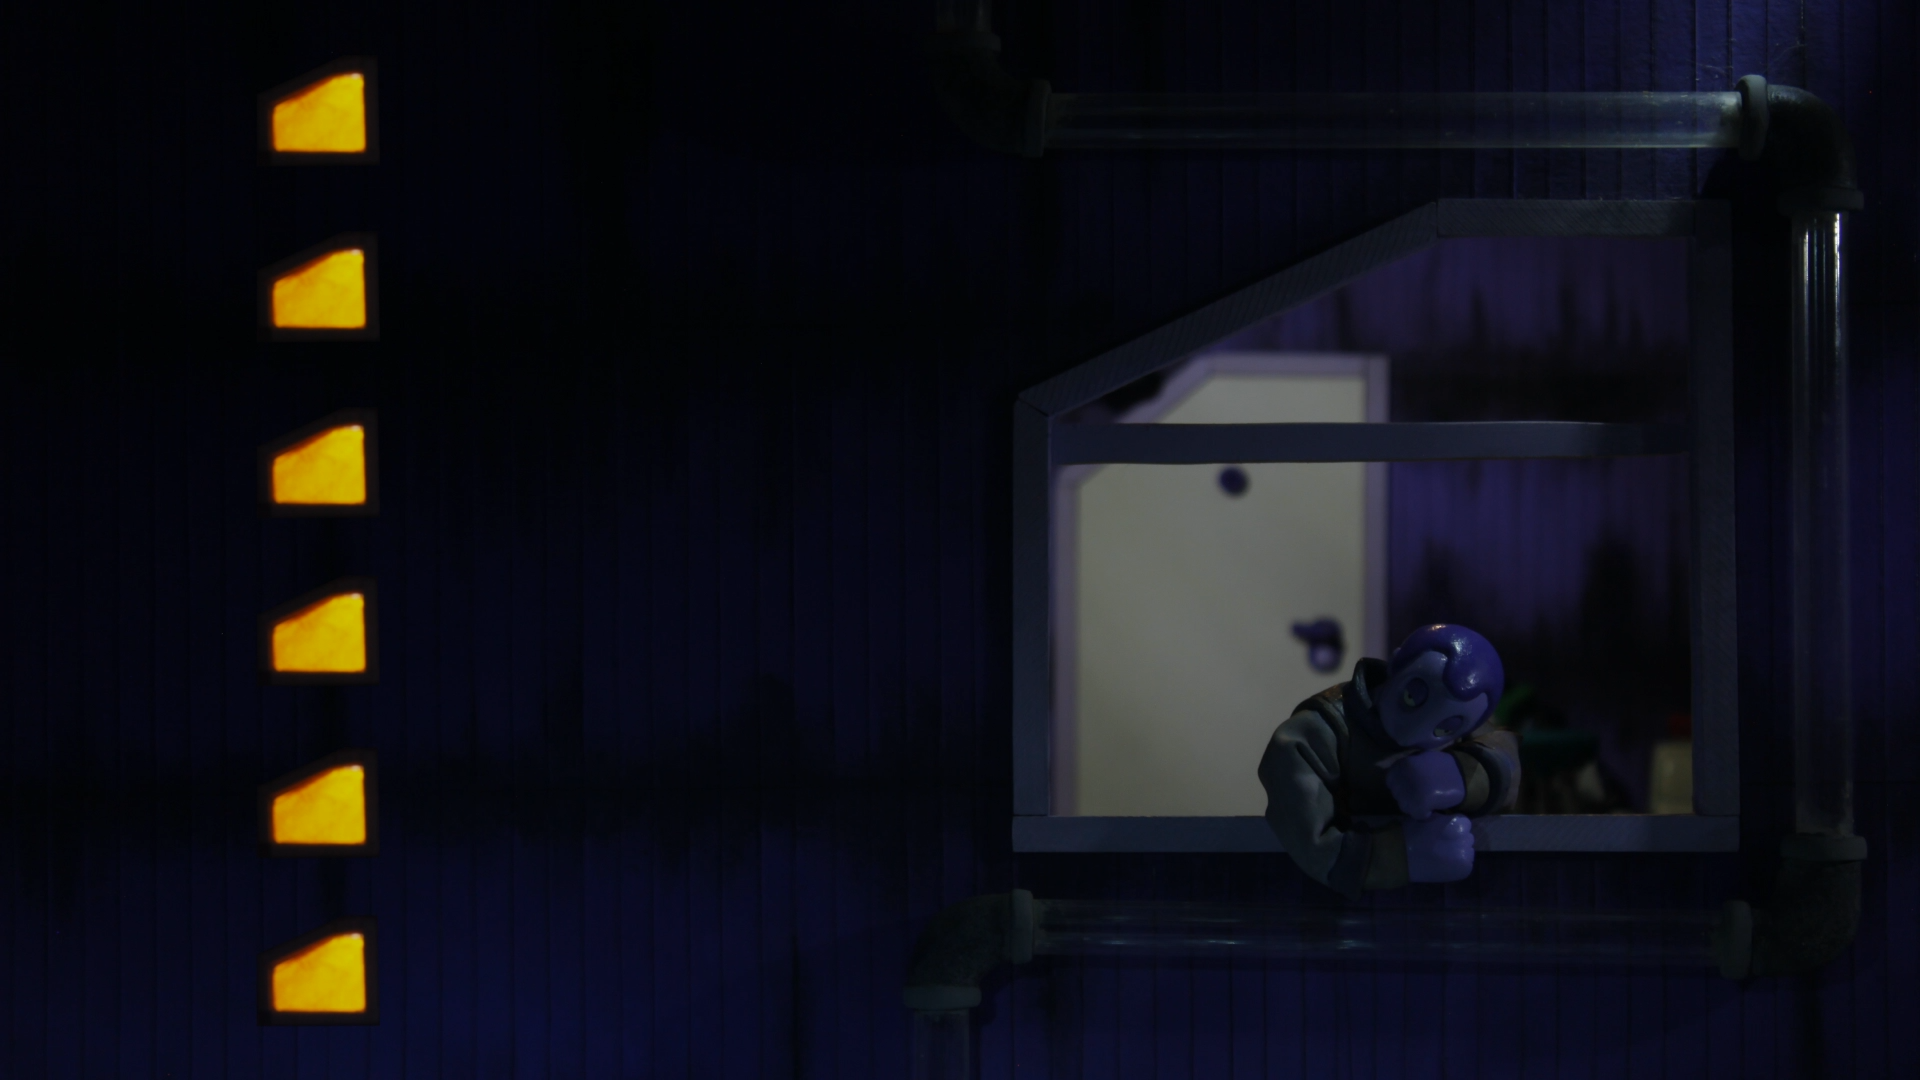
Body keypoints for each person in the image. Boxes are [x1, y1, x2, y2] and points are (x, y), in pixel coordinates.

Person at [1257, 623, 1519, 898]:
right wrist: (1404, 855)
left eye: (1444, 728)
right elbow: (1311, 841)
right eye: (1412, 697)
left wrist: (1460, 775)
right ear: (1395, 665)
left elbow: (1505, 758)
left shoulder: (1466, 725)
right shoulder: (1319, 733)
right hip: (1333, 902)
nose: (1415, 730)